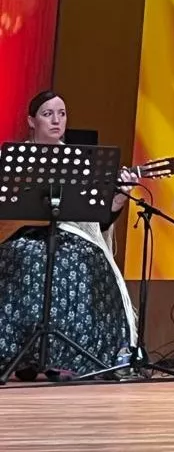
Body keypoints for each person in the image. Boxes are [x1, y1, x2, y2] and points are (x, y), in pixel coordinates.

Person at [0, 91, 139, 378]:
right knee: (27, 258)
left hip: (69, 235)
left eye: (62, 114)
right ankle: (19, 353)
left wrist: (116, 201)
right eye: (47, 114)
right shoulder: (13, 158)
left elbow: (94, 220)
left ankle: (72, 355)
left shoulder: (79, 161)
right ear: (31, 120)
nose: (56, 120)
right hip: (21, 236)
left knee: (84, 258)